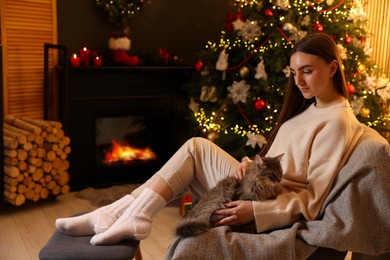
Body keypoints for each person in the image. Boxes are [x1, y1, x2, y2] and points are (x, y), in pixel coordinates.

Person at [55, 33, 363, 246]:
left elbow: (314, 198)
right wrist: (247, 165)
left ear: (333, 67)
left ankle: (124, 215)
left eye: (307, 71)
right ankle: (116, 214)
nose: (298, 81)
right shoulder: (309, 107)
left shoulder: (336, 121)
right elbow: (281, 158)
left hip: (268, 206)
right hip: (255, 187)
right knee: (196, 147)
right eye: (294, 72)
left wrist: (255, 212)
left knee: (195, 148)